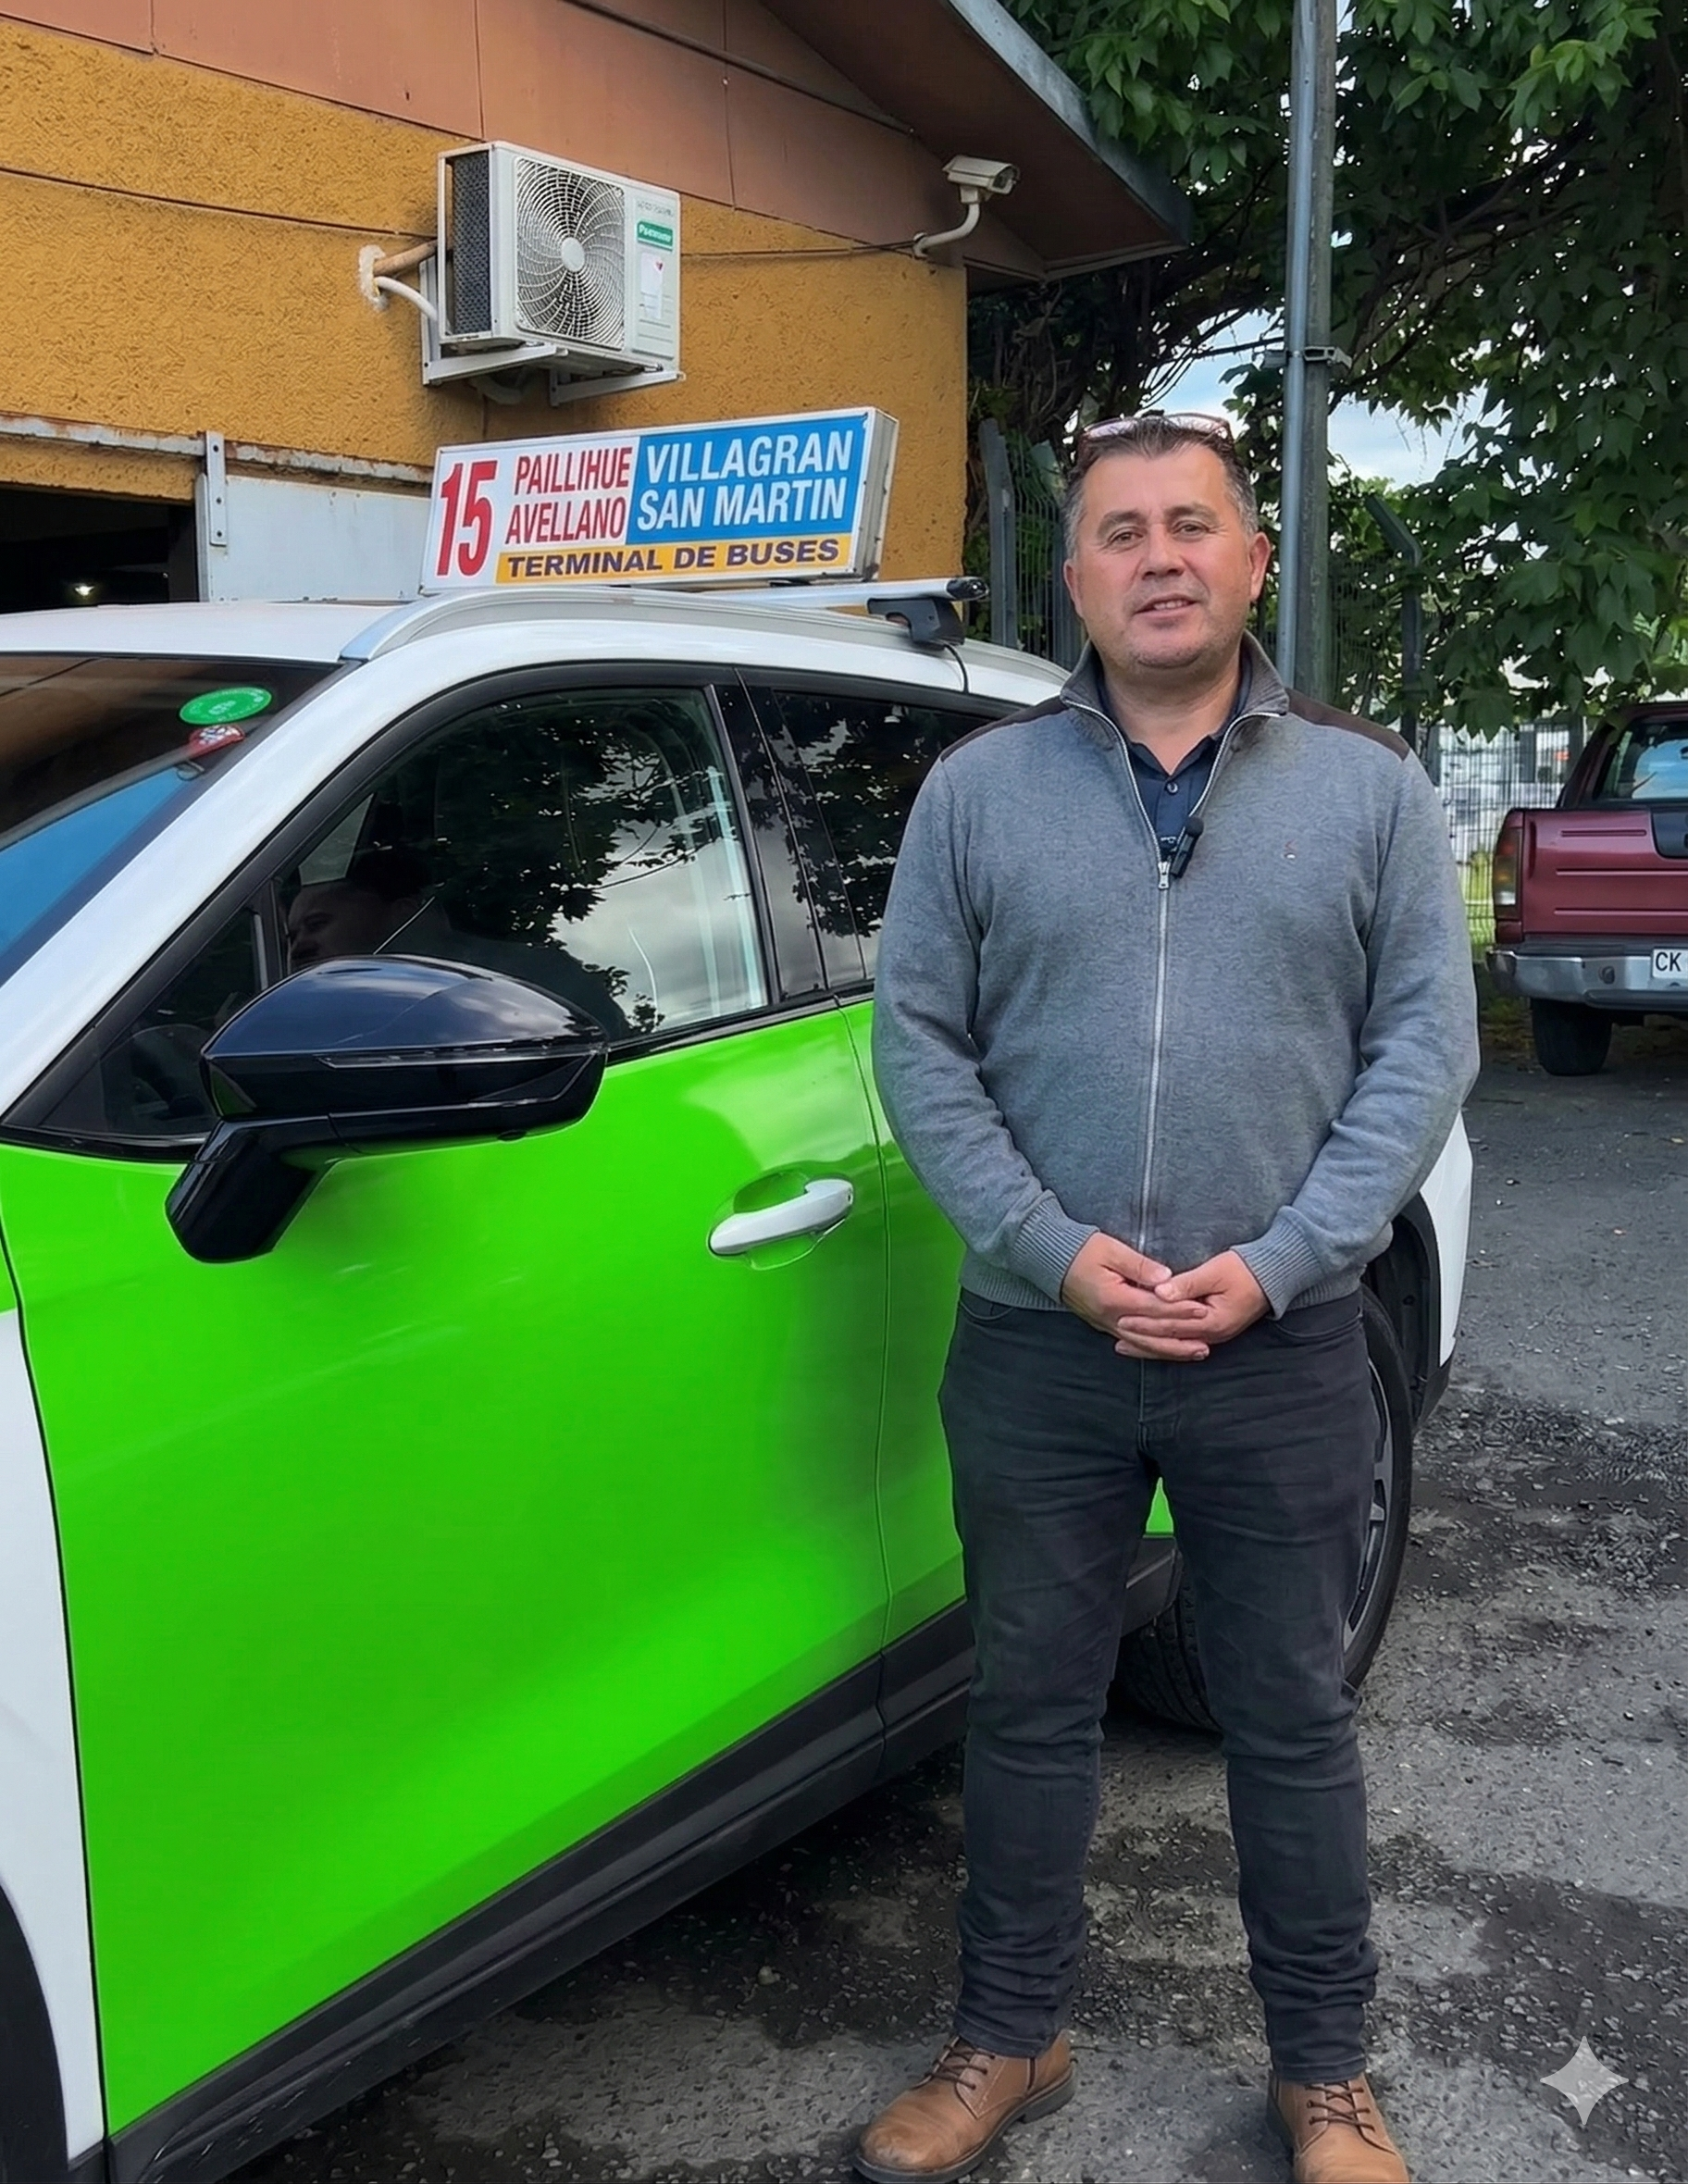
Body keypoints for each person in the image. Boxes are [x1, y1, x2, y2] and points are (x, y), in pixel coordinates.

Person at [858, 412, 1478, 2184]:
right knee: (1028, 1705)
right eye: (1121, 532)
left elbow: (1422, 1051)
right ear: (1074, 579)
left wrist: (1279, 1265)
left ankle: (1326, 2074)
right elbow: (921, 1047)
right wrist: (1054, 1250)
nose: (1159, 559)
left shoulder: (1367, 790)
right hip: (1037, 1341)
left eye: (1192, 525)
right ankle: (1009, 2034)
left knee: (1290, 1716)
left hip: (1277, 1349)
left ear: (1253, 559)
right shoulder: (978, 793)